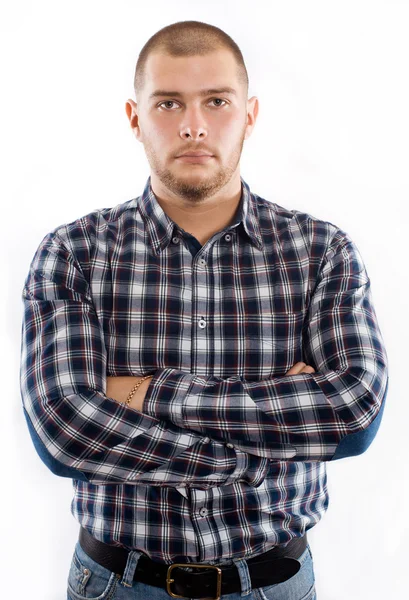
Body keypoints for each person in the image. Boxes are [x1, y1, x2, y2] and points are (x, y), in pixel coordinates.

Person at [19, 20, 389, 600]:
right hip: (117, 583)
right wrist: (247, 454)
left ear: (250, 114)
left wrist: (143, 394)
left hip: (275, 585)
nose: (193, 125)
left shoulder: (321, 252)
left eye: (217, 101)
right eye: (168, 103)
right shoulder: (74, 253)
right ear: (135, 118)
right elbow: (64, 432)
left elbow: (354, 414)